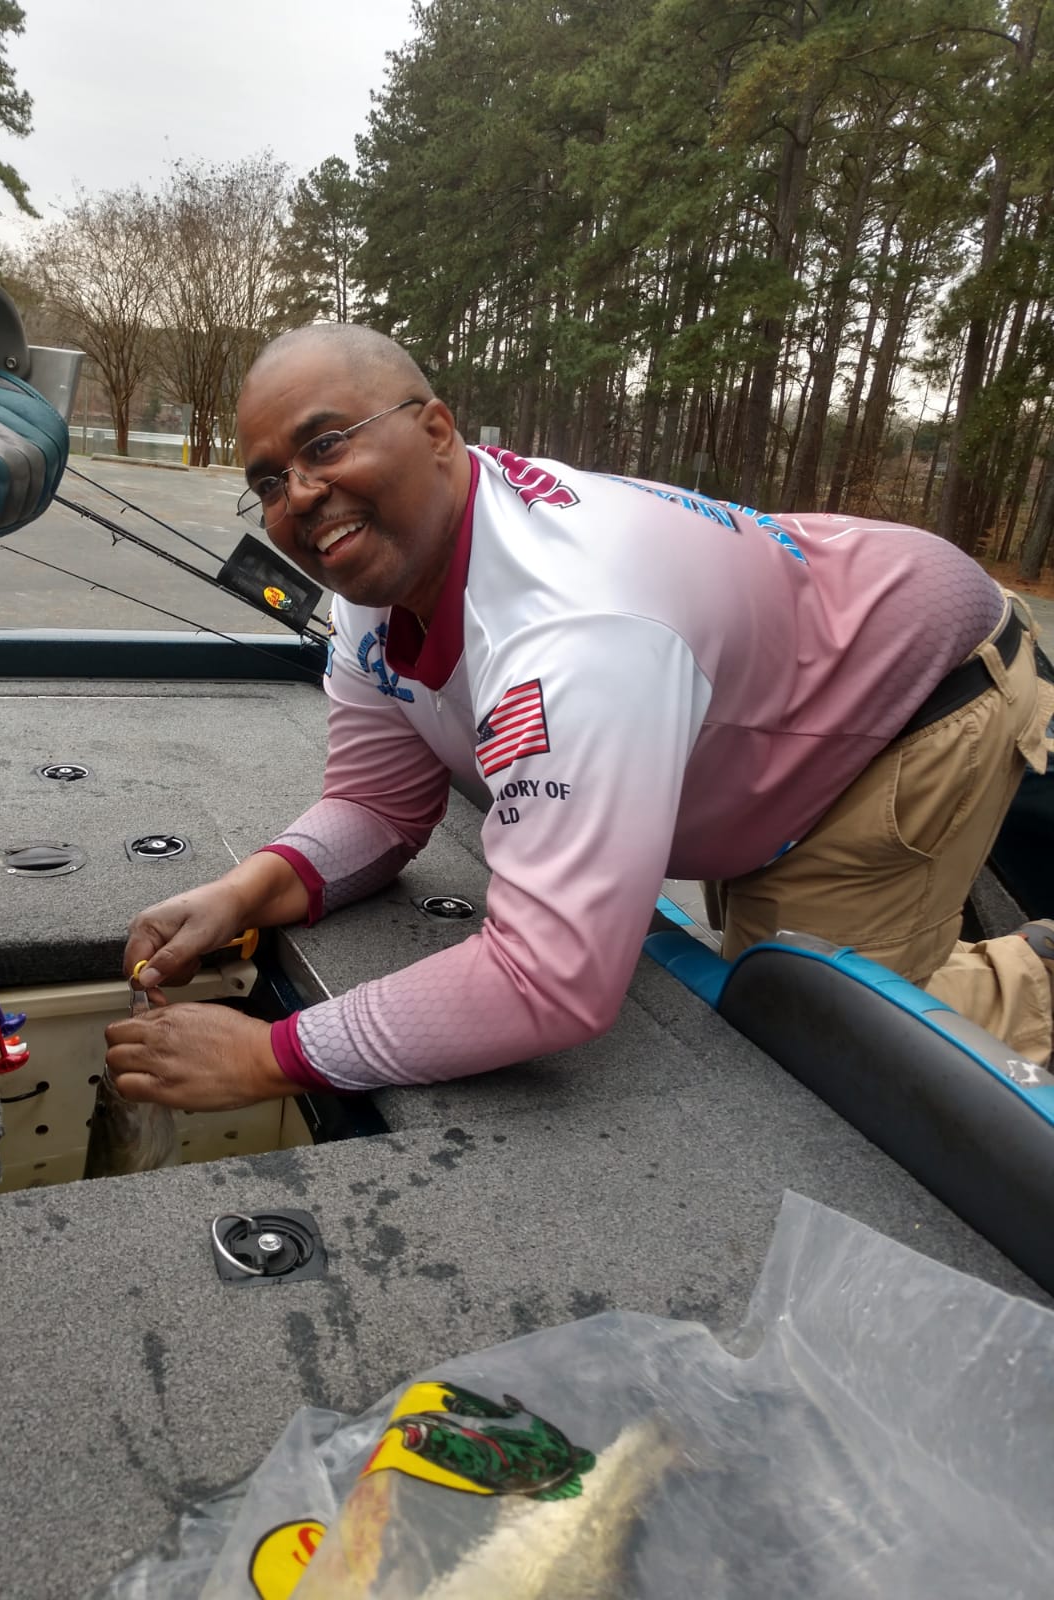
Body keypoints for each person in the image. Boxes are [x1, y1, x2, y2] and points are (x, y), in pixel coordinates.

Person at [104, 325, 1054, 1110]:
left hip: (907, 698)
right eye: (269, 480)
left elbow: (549, 980)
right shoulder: (376, 570)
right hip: (775, 680)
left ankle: (1041, 978)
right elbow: (380, 810)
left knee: (812, 1033)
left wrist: (270, 1055)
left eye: (324, 445)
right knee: (765, 972)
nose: (300, 498)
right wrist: (245, 890)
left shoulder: (576, 628)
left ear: (438, 431)